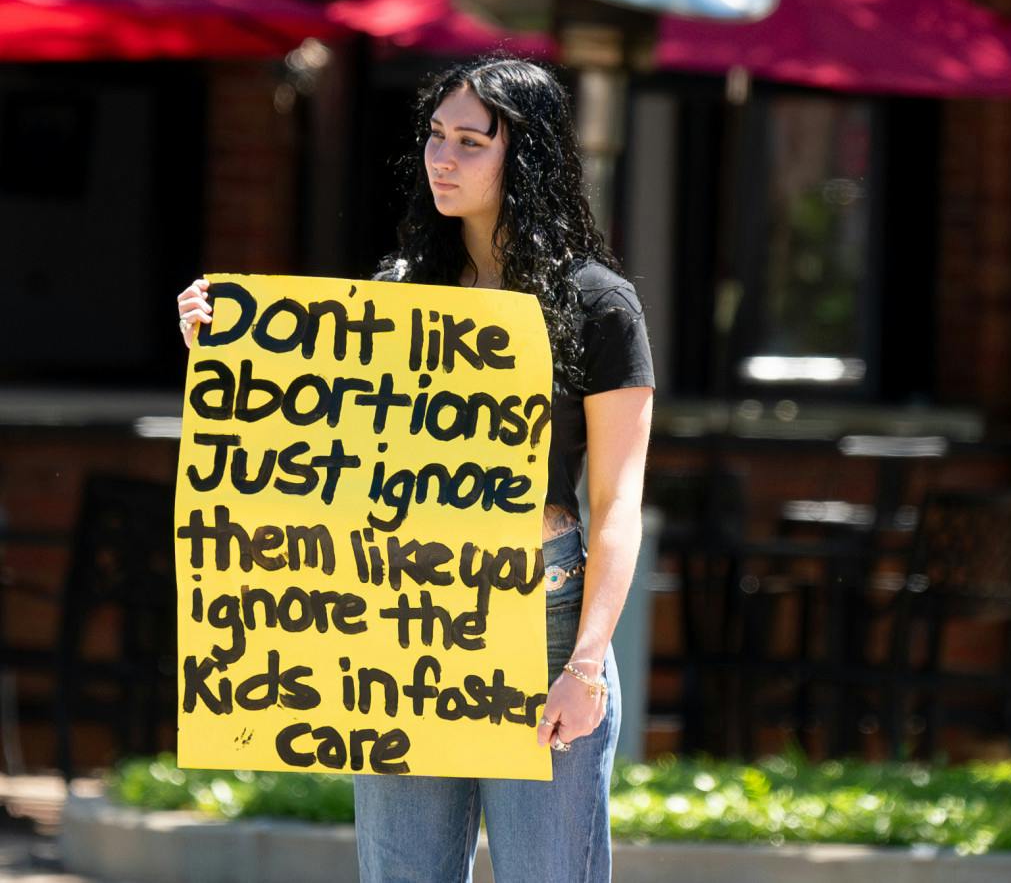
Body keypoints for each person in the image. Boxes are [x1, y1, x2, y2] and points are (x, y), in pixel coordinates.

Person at [176, 55, 655, 883]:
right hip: (405, 610)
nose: (444, 157)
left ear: (526, 157)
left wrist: (586, 666)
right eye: (437, 135)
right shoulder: (400, 290)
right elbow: (332, 447)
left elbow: (617, 503)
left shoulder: (598, 304)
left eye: (472, 142)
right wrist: (230, 357)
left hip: (545, 617)